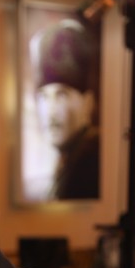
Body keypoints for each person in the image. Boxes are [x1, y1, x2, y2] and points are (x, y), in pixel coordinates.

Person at [30, 18, 100, 200]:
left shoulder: (88, 162)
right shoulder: (68, 160)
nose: (51, 113)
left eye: (61, 95)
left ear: (88, 102)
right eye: (44, 97)